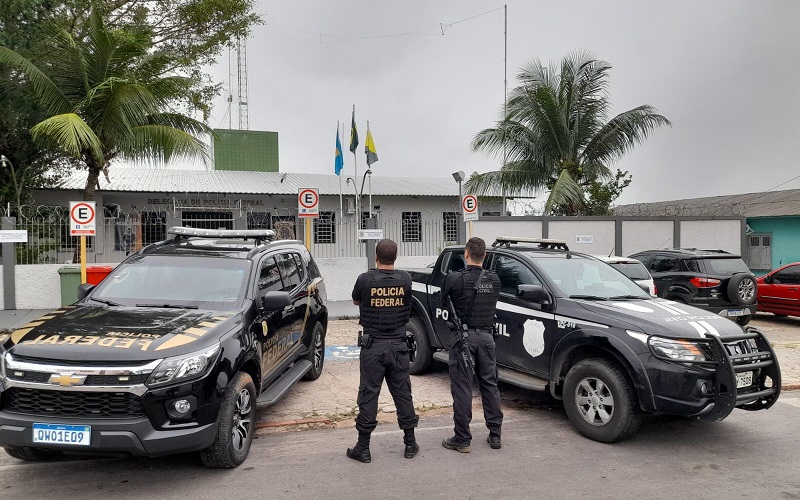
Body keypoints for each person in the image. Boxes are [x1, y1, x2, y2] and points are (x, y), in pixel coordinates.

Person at [347, 239, 419, 463]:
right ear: (395, 257)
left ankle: (363, 447)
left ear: (375, 257)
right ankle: (410, 443)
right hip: (399, 346)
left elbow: (357, 300)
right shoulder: (406, 279)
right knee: (402, 394)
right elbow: (406, 302)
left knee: (369, 394)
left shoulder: (365, 279)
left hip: (373, 347)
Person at [441, 236, 503, 453]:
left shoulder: (455, 278)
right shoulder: (495, 279)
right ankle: (495, 435)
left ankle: (462, 438)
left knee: (462, 388)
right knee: (490, 385)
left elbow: (443, 300)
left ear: (465, 254)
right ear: (484, 256)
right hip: (487, 339)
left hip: (463, 339)